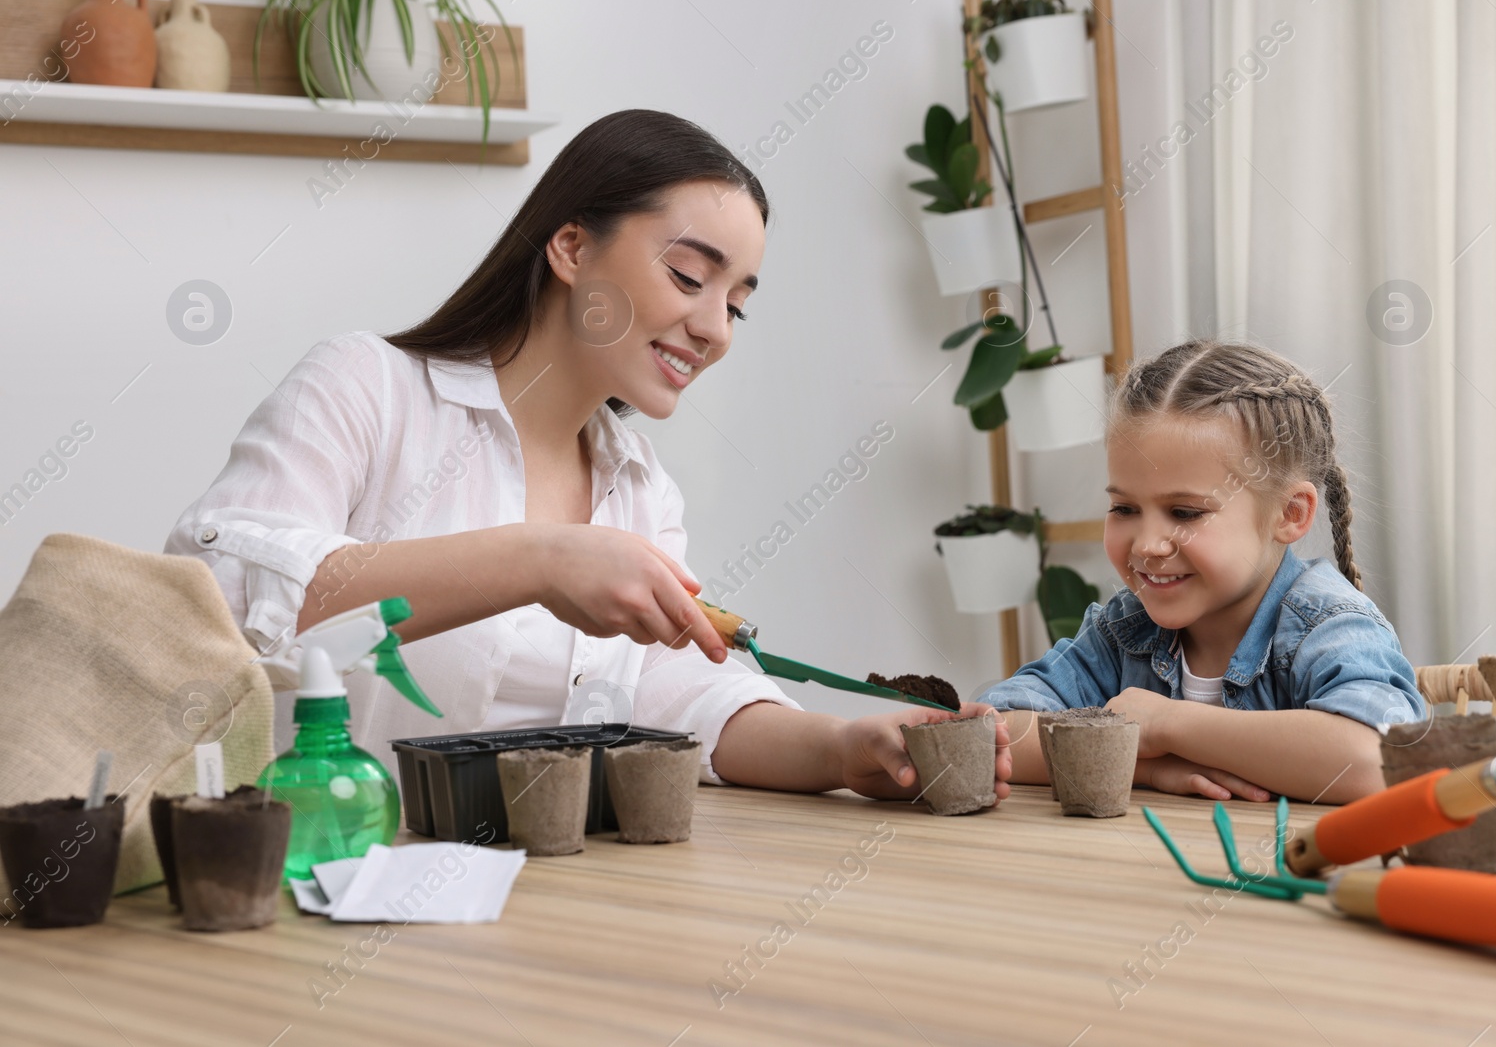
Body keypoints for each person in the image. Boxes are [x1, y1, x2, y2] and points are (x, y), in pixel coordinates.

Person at [165, 109, 1009, 803]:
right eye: (688, 275)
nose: (714, 328)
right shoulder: (366, 389)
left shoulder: (640, 490)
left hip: (544, 910)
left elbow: (682, 697)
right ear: (571, 248)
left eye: (736, 305)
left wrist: (845, 748)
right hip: (320, 890)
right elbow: (217, 609)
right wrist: (538, 558)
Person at [979, 340, 1423, 804]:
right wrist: (1149, 765)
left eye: (1185, 513)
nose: (1148, 545)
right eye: (1124, 507)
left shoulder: (1328, 624)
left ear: (1290, 513)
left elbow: (1383, 759)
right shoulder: (1124, 630)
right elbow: (997, 733)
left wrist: (1166, 723)